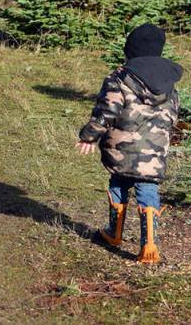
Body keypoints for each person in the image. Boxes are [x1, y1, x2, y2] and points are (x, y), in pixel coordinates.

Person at [75, 24, 183, 264]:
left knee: (118, 180)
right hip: (154, 150)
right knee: (148, 187)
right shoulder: (169, 82)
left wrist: (89, 136)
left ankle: (114, 233)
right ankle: (149, 246)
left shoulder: (120, 78)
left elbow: (106, 112)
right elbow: (173, 115)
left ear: (130, 50)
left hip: (122, 147)